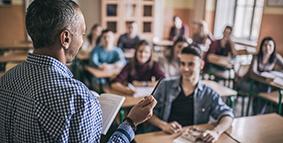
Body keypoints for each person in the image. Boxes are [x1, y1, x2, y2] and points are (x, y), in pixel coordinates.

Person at [0, 0, 156, 142]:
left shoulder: (7, 79)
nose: (82, 40)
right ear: (66, 38)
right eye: (82, 34)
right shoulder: (77, 98)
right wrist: (131, 122)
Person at [148, 44, 234, 143]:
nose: (185, 69)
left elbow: (227, 114)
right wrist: (163, 125)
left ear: (201, 65)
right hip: (164, 137)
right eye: (182, 64)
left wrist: (216, 132)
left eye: (191, 64)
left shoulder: (209, 94)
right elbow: (147, 113)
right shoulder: (165, 86)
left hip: (193, 139)